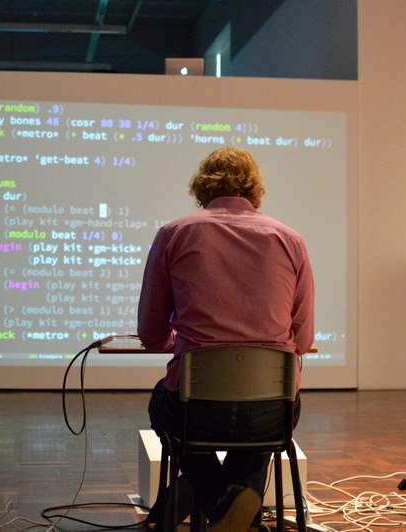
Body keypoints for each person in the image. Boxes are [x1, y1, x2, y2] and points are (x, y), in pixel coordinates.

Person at [138, 147, 314, 531]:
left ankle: (212, 496)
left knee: (162, 407)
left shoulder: (174, 234)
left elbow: (151, 335)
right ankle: (234, 511)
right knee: (261, 426)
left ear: (201, 188)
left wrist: (184, 341)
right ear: (255, 189)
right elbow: (302, 340)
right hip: (271, 409)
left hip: (195, 407)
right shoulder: (290, 239)